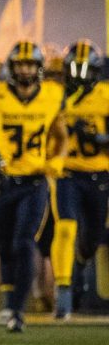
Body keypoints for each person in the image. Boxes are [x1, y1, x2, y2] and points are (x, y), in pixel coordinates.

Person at [0, 41, 66, 333]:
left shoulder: (51, 97)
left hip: (34, 182)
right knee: (3, 245)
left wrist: (55, 160)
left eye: (30, 65)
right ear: (12, 68)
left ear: (38, 68)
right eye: (20, 65)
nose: (25, 70)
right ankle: (8, 304)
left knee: (24, 241)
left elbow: (61, 136)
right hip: (4, 182)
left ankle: (17, 310)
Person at [52, 41, 109, 318]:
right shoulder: (53, 97)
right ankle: (63, 290)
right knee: (65, 228)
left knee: (92, 238)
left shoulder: (105, 96)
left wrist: (96, 138)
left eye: (86, 70)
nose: (80, 76)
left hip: (99, 174)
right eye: (76, 69)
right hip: (67, 174)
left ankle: (79, 262)